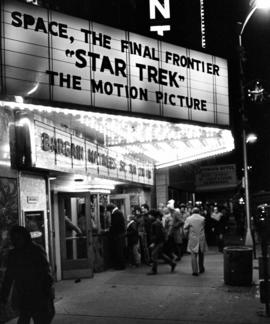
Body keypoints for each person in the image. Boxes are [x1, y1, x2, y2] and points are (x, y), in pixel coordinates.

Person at [0, 225, 55, 324]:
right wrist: (4, 295)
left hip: (38, 294)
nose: (16, 241)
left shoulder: (35, 251)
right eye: (14, 239)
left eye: (18, 238)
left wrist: (47, 292)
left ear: (25, 237)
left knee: (39, 319)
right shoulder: (15, 254)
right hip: (24, 294)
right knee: (26, 318)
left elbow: (45, 273)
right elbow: (9, 276)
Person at [147, 210, 176, 275]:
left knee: (154, 255)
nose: (149, 216)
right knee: (160, 254)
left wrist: (153, 243)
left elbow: (158, 235)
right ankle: (172, 263)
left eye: (150, 215)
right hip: (160, 242)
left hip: (158, 242)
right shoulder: (157, 222)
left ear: (152, 215)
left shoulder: (156, 223)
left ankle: (154, 270)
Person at [184, 207, 207, 276]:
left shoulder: (189, 219)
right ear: (199, 211)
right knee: (201, 254)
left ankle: (195, 271)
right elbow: (204, 226)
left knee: (193, 255)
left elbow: (185, 227)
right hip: (201, 238)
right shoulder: (203, 218)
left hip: (193, 238)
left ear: (192, 212)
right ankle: (201, 268)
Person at [107, 203, 126, 270]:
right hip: (120, 234)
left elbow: (115, 225)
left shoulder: (116, 213)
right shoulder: (119, 212)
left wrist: (109, 230)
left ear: (111, 209)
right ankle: (121, 265)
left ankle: (120, 265)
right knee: (119, 250)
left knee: (118, 250)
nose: (109, 212)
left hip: (118, 234)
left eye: (109, 211)